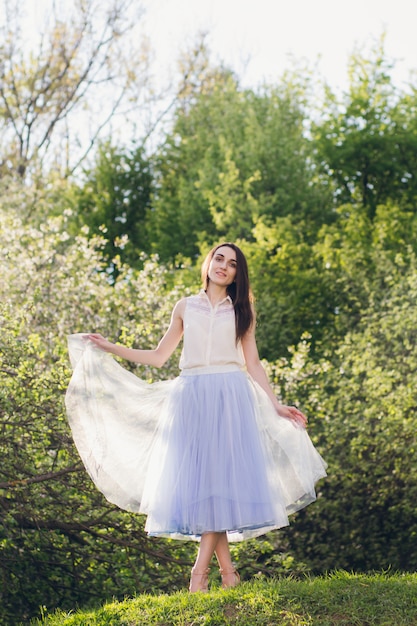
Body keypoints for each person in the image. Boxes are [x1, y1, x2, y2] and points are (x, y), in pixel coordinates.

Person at [65, 242, 327, 593]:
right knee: (207, 486)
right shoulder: (185, 306)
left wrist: (276, 405)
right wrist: (109, 346)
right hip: (191, 397)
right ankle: (229, 574)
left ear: (237, 273)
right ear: (208, 263)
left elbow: (253, 363)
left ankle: (197, 575)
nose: (224, 266)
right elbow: (159, 357)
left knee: (222, 481)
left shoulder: (242, 310)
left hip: (231, 397)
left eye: (232, 264)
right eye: (219, 258)